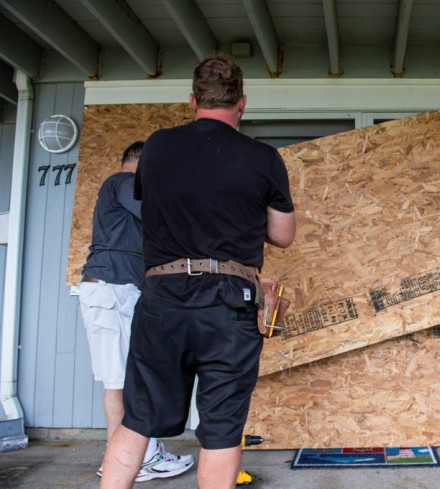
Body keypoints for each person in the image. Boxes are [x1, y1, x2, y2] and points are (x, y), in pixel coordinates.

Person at [100, 54, 296, 489]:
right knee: (222, 428)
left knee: (137, 420)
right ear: (241, 103)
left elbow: (154, 205)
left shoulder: (156, 147)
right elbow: (283, 235)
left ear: (192, 100)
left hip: (162, 296)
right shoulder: (263, 158)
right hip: (228, 302)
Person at [78, 141, 194, 481]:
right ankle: (132, 458)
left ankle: (137, 454)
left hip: (117, 290)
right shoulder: (124, 182)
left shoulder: (125, 193)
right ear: (141, 164)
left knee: (126, 379)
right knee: (120, 381)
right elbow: (158, 217)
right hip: (112, 290)